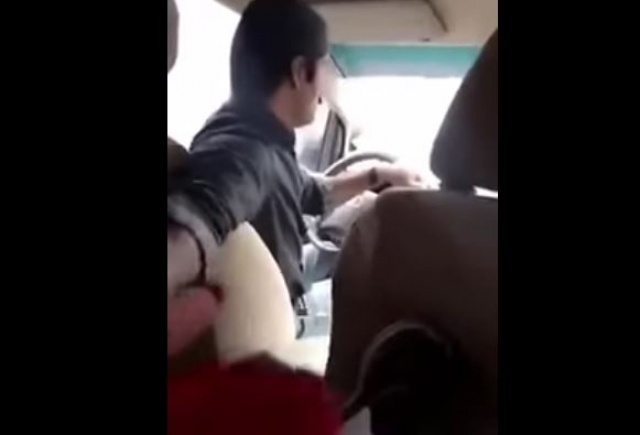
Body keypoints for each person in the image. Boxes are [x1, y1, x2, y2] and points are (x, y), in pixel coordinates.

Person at [171, 0, 421, 307]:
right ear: (301, 72)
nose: (323, 95)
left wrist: (378, 176)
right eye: (324, 68)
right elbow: (193, 223)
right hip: (273, 324)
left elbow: (311, 191)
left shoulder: (260, 137)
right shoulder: (245, 153)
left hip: (279, 302)